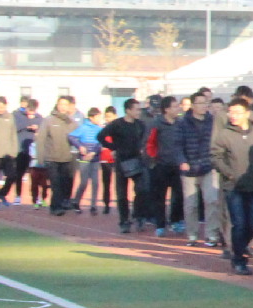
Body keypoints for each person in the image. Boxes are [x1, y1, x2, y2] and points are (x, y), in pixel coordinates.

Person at [211, 98, 253, 276]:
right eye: (231, 112)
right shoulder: (224, 134)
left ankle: (240, 247)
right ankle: (238, 259)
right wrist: (229, 173)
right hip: (233, 186)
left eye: (237, 112)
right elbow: (216, 157)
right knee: (239, 223)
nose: (233, 116)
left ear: (247, 113)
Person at [177, 92, 225, 250]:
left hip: (208, 166)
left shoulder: (212, 122)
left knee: (212, 200)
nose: (204, 106)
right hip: (189, 168)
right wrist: (182, 161)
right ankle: (192, 234)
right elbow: (177, 144)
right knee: (191, 204)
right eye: (201, 103)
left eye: (206, 103)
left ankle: (212, 234)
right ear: (193, 105)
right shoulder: (183, 123)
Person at [99, 100, 150, 233]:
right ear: (128, 110)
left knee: (143, 190)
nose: (139, 112)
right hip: (121, 161)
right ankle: (124, 221)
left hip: (137, 160)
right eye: (136, 109)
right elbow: (100, 136)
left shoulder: (140, 125)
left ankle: (138, 215)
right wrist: (113, 148)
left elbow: (144, 140)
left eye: (139, 109)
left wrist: (142, 149)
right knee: (122, 193)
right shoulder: (117, 124)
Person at [35, 96, 80, 215]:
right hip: (52, 158)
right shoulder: (49, 120)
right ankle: (55, 207)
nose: (63, 107)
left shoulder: (72, 122)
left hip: (66, 158)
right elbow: (41, 139)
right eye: (61, 104)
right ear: (57, 105)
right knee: (56, 184)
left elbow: (79, 138)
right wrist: (40, 158)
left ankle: (63, 203)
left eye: (65, 105)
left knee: (65, 183)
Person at [149, 96, 187, 235]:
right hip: (161, 165)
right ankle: (160, 225)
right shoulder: (156, 124)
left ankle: (176, 221)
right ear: (166, 109)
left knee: (179, 195)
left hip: (177, 165)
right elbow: (150, 143)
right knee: (160, 196)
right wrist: (154, 159)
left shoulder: (181, 123)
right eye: (175, 106)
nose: (178, 109)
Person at [71, 107, 103, 212]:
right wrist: (80, 146)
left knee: (95, 182)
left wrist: (94, 152)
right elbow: (71, 137)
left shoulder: (99, 129)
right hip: (84, 158)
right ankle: (76, 201)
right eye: (98, 117)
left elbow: (101, 142)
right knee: (84, 182)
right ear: (91, 117)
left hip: (95, 159)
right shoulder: (83, 127)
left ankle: (93, 205)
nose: (99, 119)